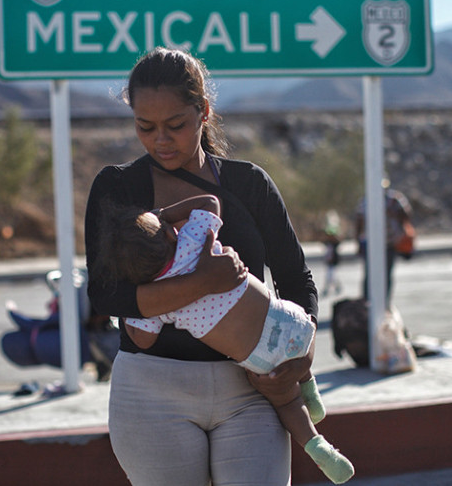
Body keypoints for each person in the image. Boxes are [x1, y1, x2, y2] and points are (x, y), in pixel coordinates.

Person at [85, 47, 320, 486]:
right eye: (145, 126)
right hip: (151, 393)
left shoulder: (249, 184)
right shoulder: (117, 187)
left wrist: (302, 350)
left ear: (203, 112)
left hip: (249, 390)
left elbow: (295, 279)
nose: (160, 140)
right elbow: (105, 294)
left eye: (175, 125)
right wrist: (201, 283)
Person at [97, 194, 353, 484]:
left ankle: (315, 444)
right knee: (295, 358)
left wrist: (135, 301)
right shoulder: (193, 240)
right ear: (170, 234)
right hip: (291, 321)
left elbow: (141, 340)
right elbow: (209, 203)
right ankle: (311, 391)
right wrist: (165, 214)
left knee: (286, 403)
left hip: (258, 357)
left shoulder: (161, 300)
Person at [354, 181, 413, 306]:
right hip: (370, 243)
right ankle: (366, 302)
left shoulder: (394, 199)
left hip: (389, 242)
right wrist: (358, 242)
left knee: (386, 273)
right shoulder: (366, 200)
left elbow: (406, 214)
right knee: (369, 273)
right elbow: (359, 221)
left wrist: (392, 213)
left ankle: (385, 303)